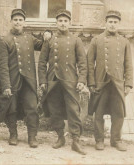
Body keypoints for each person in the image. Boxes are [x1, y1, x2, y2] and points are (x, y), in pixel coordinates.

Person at [0, 9, 51, 148]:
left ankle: (32, 137)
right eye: (15, 19)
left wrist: (47, 34)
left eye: (20, 20)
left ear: (24, 22)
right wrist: (6, 85)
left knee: (32, 108)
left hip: (29, 81)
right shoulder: (5, 40)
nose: (18, 22)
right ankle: (13, 135)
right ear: (11, 21)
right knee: (12, 108)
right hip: (13, 80)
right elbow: (2, 65)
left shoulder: (29, 38)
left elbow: (44, 45)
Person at [38, 9, 87, 155]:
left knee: (73, 110)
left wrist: (82, 80)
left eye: (65, 21)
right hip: (53, 81)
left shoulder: (76, 40)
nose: (63, 23)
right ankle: (60, 137)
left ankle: (76, 140)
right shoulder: (49, 40)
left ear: (69, 23)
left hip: (71, 82)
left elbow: (82, 63)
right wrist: (43, 81)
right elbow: (41, 63)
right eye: (60, 21)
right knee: (55, 110)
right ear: (56, 23)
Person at [87, 10, 133, 151]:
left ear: (118, 24)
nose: (112, 25)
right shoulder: (96, 40)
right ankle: (99, 140)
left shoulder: (124, 42)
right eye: (110, 22)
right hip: (101, 81)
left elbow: (128, 64)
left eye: (115, 22)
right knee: (99, 113)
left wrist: (129, 83)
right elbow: (89, 63)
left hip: (118, 83)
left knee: (118, 113)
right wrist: (91, 82)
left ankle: (116, 140)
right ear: (105, 23)